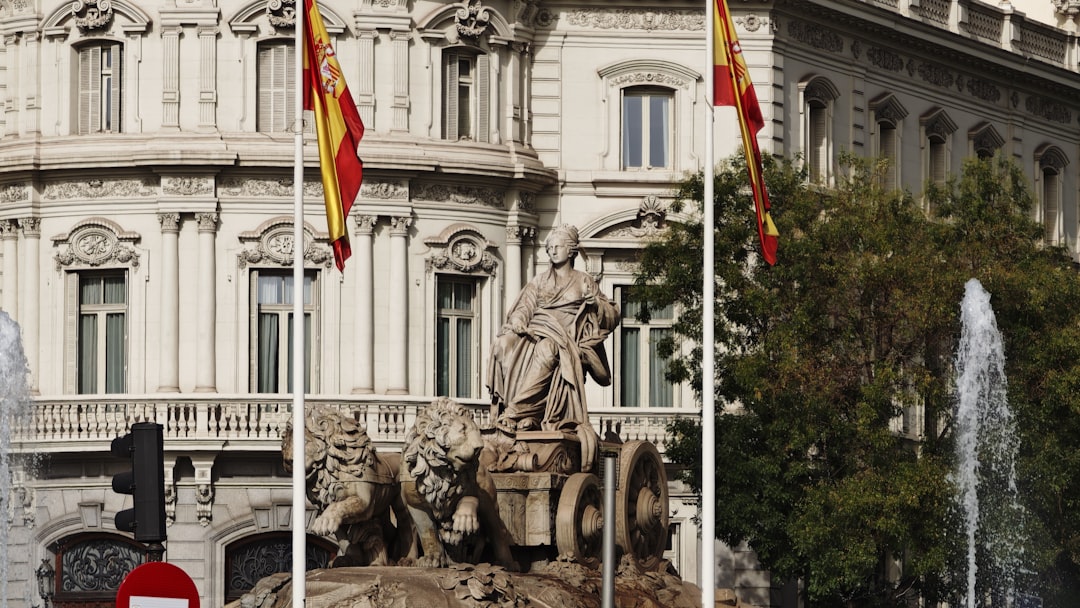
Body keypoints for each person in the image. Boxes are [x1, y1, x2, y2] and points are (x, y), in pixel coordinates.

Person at [487, 225, 619, 470]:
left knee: (547, 350)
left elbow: (611, 315)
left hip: (565, 340)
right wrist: (517, 322)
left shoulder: (583, 281)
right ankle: (522, 413)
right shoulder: (540, 281)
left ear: (571, 251)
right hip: (536, 331)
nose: (552, 251)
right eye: (549, 248)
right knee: (502, 345)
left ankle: (516, 413)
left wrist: (597, 304)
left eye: (557, 247)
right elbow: (525, 307)